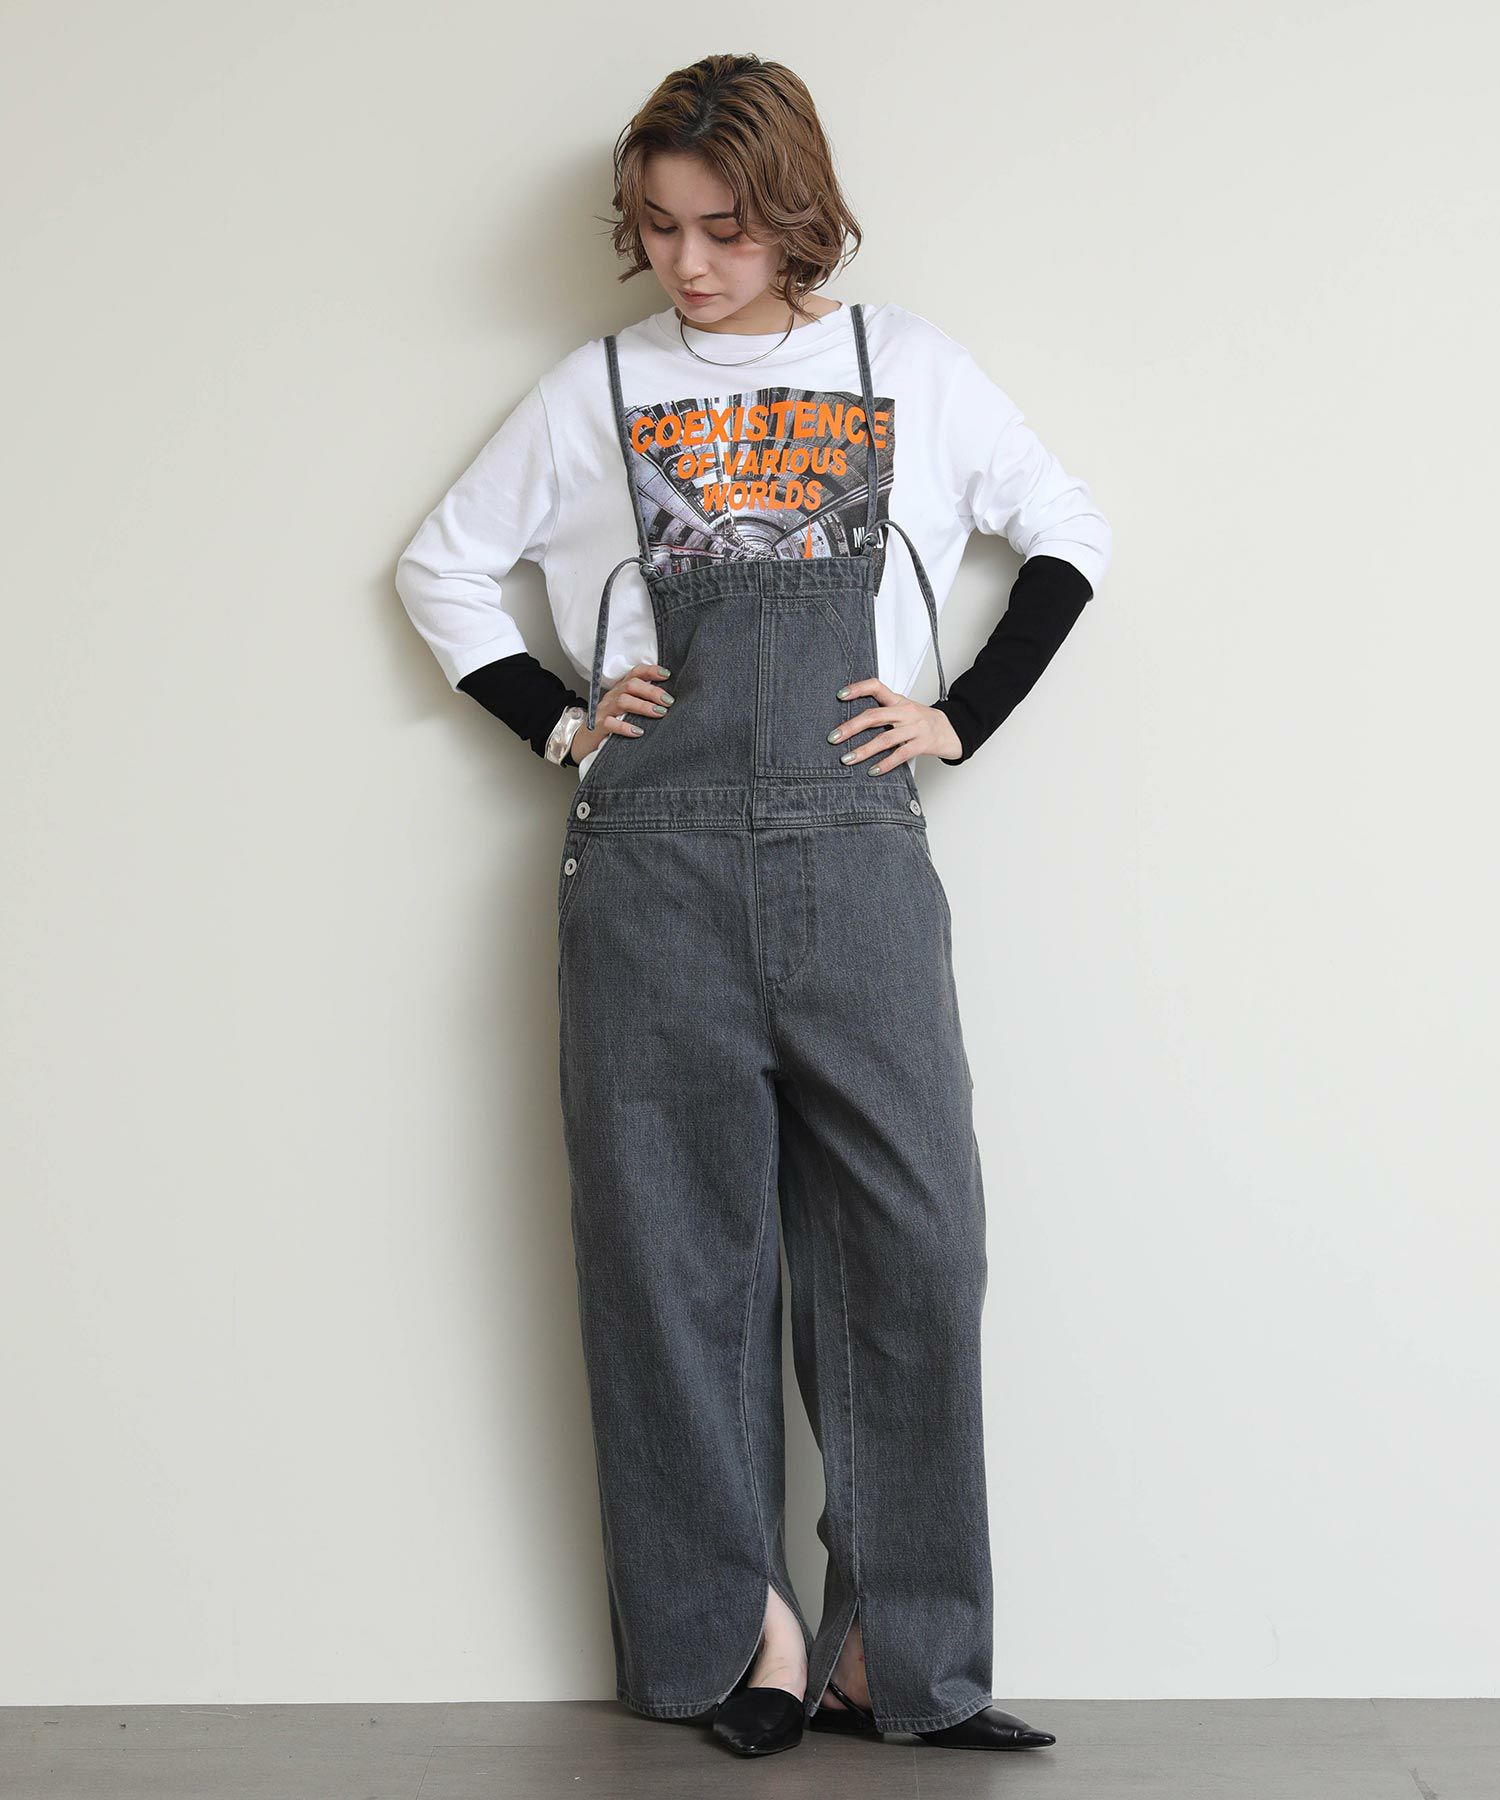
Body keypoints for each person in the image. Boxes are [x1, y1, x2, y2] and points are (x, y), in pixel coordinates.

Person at [396, 52, 1111, 1761]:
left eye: (725, 226)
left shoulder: (907, 367)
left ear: (798, 212)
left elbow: (1067, 534)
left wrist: (961, 715)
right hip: (650, 868)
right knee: (672, 1255)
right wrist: (562, 719)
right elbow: (441, 565)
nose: (691, 263)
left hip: (858, 856)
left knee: (915, 1245)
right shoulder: (597, 389)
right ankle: (743, 1641)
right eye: (660, 228)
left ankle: (896, 1658)